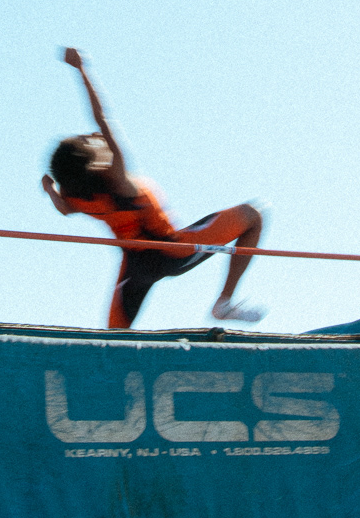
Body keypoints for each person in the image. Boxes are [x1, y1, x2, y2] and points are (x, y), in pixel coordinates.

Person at [41, 48, 266, 329]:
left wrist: (50, 188)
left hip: (135, 270)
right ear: (92, 160)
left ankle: (114, 348)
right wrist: (82, 70)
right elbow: (102, 118)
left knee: (113, 337)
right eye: (86, 140)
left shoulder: (79, 197)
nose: (90, 136)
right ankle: (224, 302)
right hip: (173, 251)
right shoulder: (118, 178)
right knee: (253, 215)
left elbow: (63, 209)